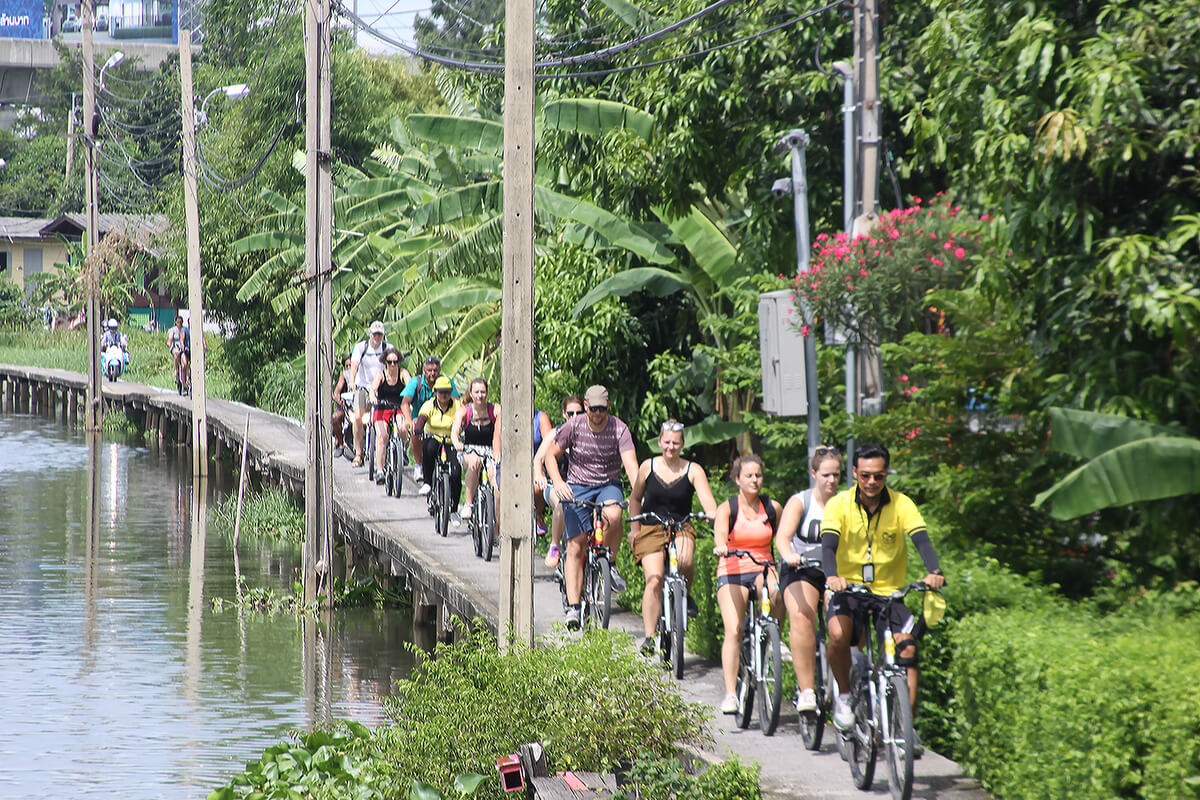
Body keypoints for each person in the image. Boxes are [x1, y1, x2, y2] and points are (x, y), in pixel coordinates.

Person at [822, 442, 945, 742]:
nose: (872, 482)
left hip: (889, 594)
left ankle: (905, 729)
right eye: (865, 475)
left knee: (908, 649)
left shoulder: (902, 504)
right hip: (849, 589)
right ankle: (845, 696)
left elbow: (921, 540)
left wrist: (935, 570)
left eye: (878, 475)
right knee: (837, 635)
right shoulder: (839, 504)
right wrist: (832, 577)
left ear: (887, 473)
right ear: (854, 473)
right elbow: (828, 546)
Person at [543, 385, 638, 630]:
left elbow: (631, 465)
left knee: (614, 514)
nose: (597, 413)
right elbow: (550, 456)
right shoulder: (573, 426)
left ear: (608, 407)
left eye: (601, 409)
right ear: (585, 406)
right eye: (593, 409)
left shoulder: (619, 428)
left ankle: (609, 562)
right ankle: (574, 607)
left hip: (608, 485)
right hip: (578, 485)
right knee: (576, 545)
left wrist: (638, 494)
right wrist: (559, 483)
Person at [627, 419, 718, 655]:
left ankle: (685, 595)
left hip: (681, 526)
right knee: (654, 579)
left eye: (675, 443)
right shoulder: (647, 467)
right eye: (667, 442)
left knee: (685, 561)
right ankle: (649, 636)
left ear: (682, 444)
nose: (671, 447)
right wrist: (635, 530)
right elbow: (635, 499)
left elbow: (709, 502)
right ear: (659, 442)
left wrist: (712, 514)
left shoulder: (693, 470)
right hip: (651, 527)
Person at [775, 446, 844, 713]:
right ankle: (806, 690)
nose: (831, 480)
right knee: (803, 617)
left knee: (845, 619)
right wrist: (789, 555)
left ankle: (846, 682)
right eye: (826, 475)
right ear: (814, 473)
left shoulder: (846, 503)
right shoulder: (800, 502)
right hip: (802, 569)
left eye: (836, 475)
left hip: (834, 571)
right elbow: (782, 537)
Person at [713, 453, 782, 713]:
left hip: (763, 566)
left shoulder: (772, 508)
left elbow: (782, 537)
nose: (754, 480)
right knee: (734, 630)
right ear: (737, 479)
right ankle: (731, 694)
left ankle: (773, 636)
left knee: (778, 591)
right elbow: (720, 533)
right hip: (733, 568)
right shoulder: (728, 508)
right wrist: (722, 546)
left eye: (758, 475)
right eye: (749, 476)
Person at [533, 394, 583, 569]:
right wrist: (539, 474)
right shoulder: (555, 434)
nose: (575, 417)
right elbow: (538, 459)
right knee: (563, 502)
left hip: (581, 487)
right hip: (555, 485)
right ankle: (555, 545)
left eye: (579, 413)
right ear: (564, 414)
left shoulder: (589, 435)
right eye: (570, 413)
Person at [414, 375, 464, 525]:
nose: (444, 395)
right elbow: (422, 418)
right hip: (433, 438)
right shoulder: (429, 405)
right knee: (428, 449)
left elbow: (464, 419)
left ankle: (453, 511)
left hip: (451, 441)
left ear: (451, 392)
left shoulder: (457, 406)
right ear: (435, 392)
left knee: (456, 472)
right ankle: (428, 483)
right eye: (441, 392)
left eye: (447, 392)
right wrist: (418, 429)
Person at [450, 377, 502, 521]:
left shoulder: (495, 410)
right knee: (474, 462)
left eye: (483, 392)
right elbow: (454, 432)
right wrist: (457, 443)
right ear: (471, 394)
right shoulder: (464, 411)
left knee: (496, 483)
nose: (480, 395)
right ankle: (468, 504)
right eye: (477, 392)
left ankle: (496, 524)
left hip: (490, 451)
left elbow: (499, 432)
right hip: (469, 450)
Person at [401, 355, 460, 480]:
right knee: (415, 431)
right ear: (424, 371)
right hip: (420, 418)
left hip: (441, 419)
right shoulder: (416, 382)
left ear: (439, 370)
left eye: (435, 370)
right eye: (429, 370)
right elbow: (405, 402)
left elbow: (456, 402)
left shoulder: (446, 382)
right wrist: (408, 420)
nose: (432, 373)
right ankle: (418, 465)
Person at [347, 321, 389, 467]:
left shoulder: (387, 348)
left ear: (383, 335)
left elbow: (394, 365)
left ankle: (392, 451)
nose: (377, 337)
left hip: (381, 388)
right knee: (358, 417)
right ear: (370, 334)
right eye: (375, 334)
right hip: (364, 387)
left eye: (380, 335)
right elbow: (354, 365)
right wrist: (352, 380)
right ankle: (358, 454)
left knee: (389, 417)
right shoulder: (361, 347)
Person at [368, 346, 413, 484]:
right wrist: (373, 397)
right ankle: (380, 470)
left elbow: (410, 385)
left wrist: (411, 396)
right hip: (382, 409)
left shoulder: (403, 373)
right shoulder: (381, 375)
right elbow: (373, 389)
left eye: (395, 362)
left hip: (398, 408)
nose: (393, 365)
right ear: (385, 362)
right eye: (389, 362)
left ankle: (401, 449)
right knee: (382, 437)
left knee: (403, 428)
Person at [532, 407, 555, 536]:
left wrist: (539, 467)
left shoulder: (540, 417)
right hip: (514, 461)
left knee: (538, 486)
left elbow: (548, 443)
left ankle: (539, 516)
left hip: (537, 459)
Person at [332, 353, 353, 459]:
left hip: (360, 406)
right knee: (335, 417)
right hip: (346, 406)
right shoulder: (344, 376)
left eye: (351, 365)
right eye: (347, 366)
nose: (349, 368)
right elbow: (337, 391)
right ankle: (340, 444)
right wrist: (339, 399)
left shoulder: (363, 375)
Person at [167, 315, 190, 393]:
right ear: (175, 322)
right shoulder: (173, 330)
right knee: (176, 353)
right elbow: (170, 339)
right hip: (175, 347)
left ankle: (187, 381)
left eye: (180, 322)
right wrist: (169, 343)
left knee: (186, 363)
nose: (179, 324)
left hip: (182, 349)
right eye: (178, 322)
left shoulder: (184, 330)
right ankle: (176, 370)